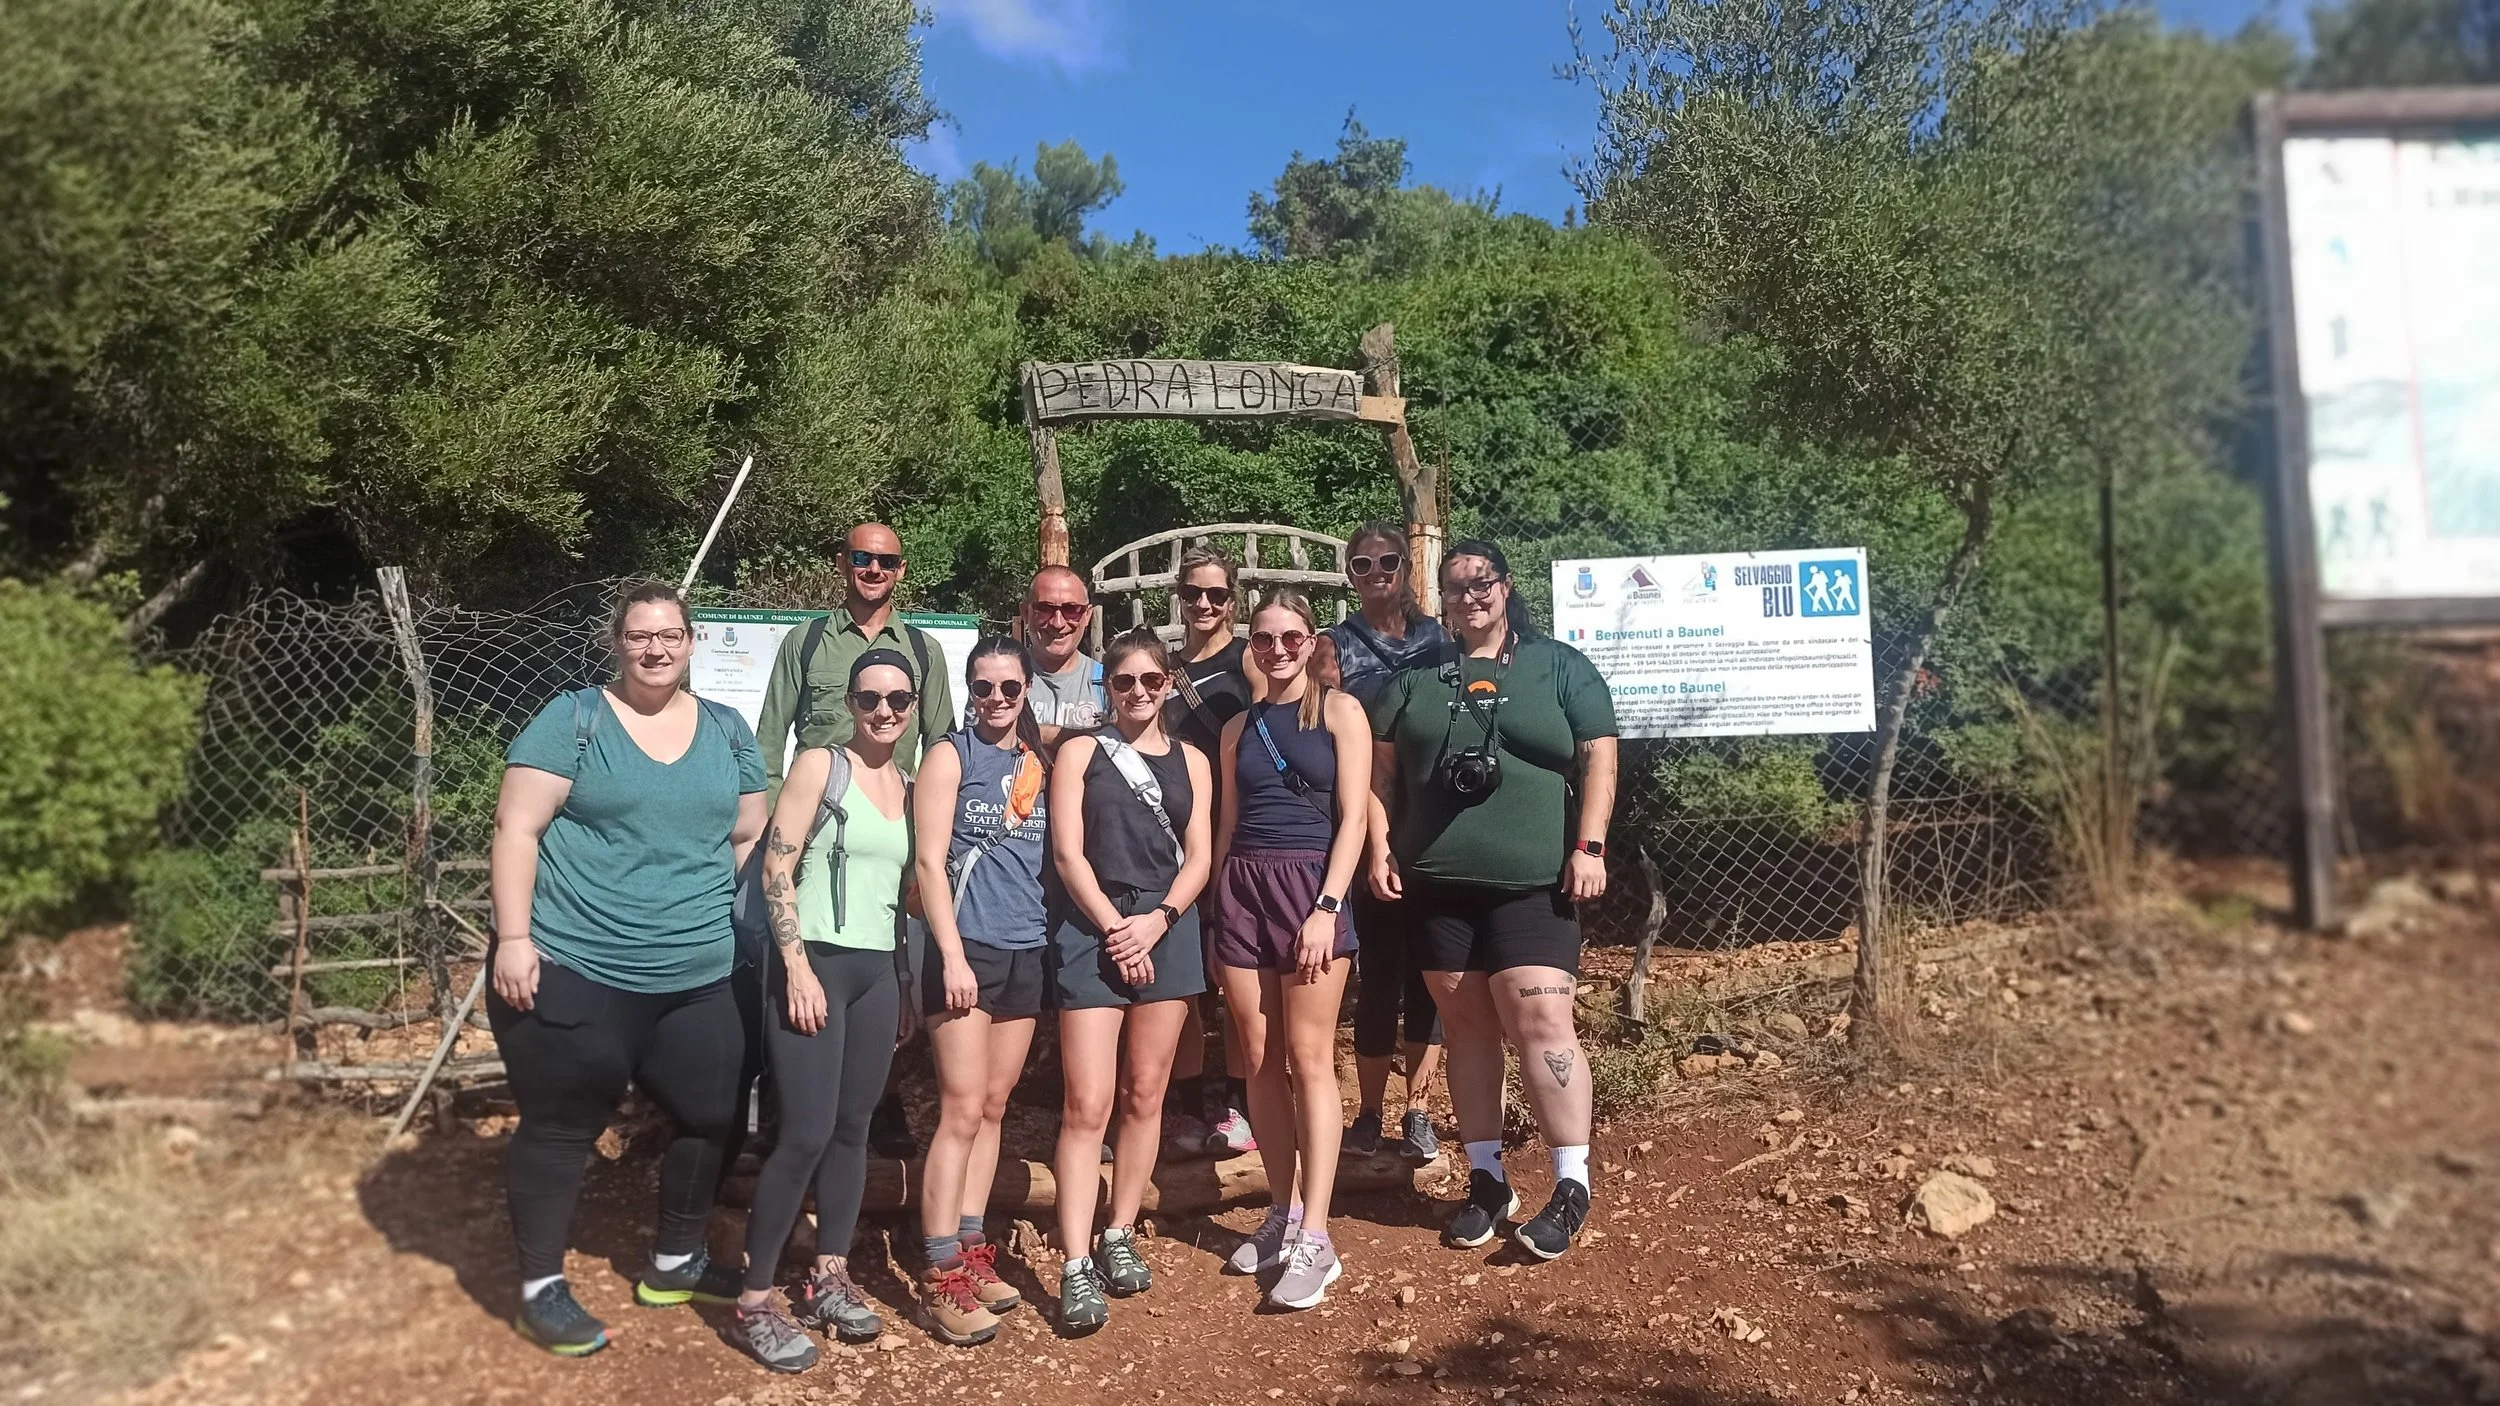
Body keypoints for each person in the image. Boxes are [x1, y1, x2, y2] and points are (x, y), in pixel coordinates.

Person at [485, 580, 767, 1357]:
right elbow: (517, 827)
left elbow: (749, 834)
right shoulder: (573, 722)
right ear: (618, 643)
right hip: (577, 963)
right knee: (562, 1124)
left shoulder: (726, 728)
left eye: (669, 635)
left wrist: (747, 930)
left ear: (691, 641)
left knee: (714, 1114)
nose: (655, 648)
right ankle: (541, 1288)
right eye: (640, 635)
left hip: (698, 973)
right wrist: (514, 938)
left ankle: (676, 1258)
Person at [1367, 540, 1619, 1262]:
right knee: (1466, 1025)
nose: (1470, 596)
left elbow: (1601, 752)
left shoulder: (1559, 667)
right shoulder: (1413, 679)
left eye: (1483, 583)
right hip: (1438, 885)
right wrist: (1381, 846)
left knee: (1541, 1019)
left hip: (1536, 883)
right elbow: (1381, 778)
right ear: (1440, 599)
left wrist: (1591, 846)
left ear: (1506, 589)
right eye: (1455, 587)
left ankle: (1571, 1185)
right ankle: (1486, 1180)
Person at [726, 650, 922, 1372]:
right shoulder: (820, 765)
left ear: (913, 704)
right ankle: (751, 1302)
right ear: (851, 699)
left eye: (899, 699)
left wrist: (903, 983)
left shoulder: (907, 783)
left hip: (876, 973)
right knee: (803, 1133)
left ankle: (829, 1275)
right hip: (813, 963)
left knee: (853, 1129)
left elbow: (903, 894)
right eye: (870, 698)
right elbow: (777, 863)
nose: (885, 711)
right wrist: (797, 967)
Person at [753, 522, 954, 1161]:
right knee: (776, 945)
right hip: (808, 834)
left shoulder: (922, 652)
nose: (873, 569)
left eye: (886, 560)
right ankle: (782, 1095)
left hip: (888, 833)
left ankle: (878, 1101)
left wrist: (925, 846)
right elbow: (769, 741)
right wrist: (768, 832)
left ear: (901, 569)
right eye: (862, 558)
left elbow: (941, 746)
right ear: (844, 563)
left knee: (891, 961)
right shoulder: (806, 642)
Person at [1045, 628, 1215, 1332]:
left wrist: (1159, 921)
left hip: (1168, 930)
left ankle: (1120, 1231)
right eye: (1124, 682)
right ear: (1105, 688)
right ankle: (1075, 1260)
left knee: (1146, 1092)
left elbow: (1202, 853)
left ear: (1170, 684)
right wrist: (1118, 927)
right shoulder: (1079, 753)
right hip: (1094, 928)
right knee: (1087, 1102)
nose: (1139, 693)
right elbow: (1066, 852)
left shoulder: (1195, 761)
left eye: (1152, 681)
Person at [1208, 589, 1371, 1311]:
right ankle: (1281, 1208)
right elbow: (1227, 824)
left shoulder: (1340, 711)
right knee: (1257, 1059)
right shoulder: (1238, 728)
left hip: (1310, 888)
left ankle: (1317, 1233)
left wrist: (1326, 908)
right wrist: (1217, 904)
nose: (1278, 650)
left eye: (1291, 638)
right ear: (1252, 643)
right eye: (1265, 639)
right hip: (1244, 888)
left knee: (1310, 1059)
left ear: (1312, 641)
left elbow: (1354, 820)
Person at [909, 637, 1053, 1346]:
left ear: (1027, 690)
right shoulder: (950, 757)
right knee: (961, 1110)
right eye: (984, 687)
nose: (997, 700)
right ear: (969, 690)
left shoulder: (1035, 763)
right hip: (965, 953)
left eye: (1009, 687)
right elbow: (930, 865)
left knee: (994, 1107)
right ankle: (939, 1272)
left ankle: (971, 1248)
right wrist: (952, 955)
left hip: (1026, 947)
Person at [1324, 522, 1450, 1165]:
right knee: (1377, 977)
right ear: (1350, 575)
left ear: (1407, 567)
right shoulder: (1335, 647)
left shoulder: (1440, 641)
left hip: (1434, 826)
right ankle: (1370, 1111)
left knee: (1428, 974)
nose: (1378, 575)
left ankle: (1418, 1109)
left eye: (1389, 562)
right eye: (1364, 565)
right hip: (1368, 822)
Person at [1160, 546, 1258, 1158]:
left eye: (1217, 595)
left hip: (1239, 836)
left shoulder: (1248, 659)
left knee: (1240, 980)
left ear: (1233, 600)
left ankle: (1243, 1104)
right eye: (1194, 592)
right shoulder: (1162, 671)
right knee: (1191, 985)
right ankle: (1192, 1104)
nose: (1204, 604)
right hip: (1178, 838)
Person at [1022, 566, 1105, 742]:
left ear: (1088, 615)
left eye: (1071, 610)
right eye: (1044, 609)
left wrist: (1025, 733)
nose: (1058, 623)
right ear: (1025, 612)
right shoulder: (1000, 683)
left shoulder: (1111, 685)